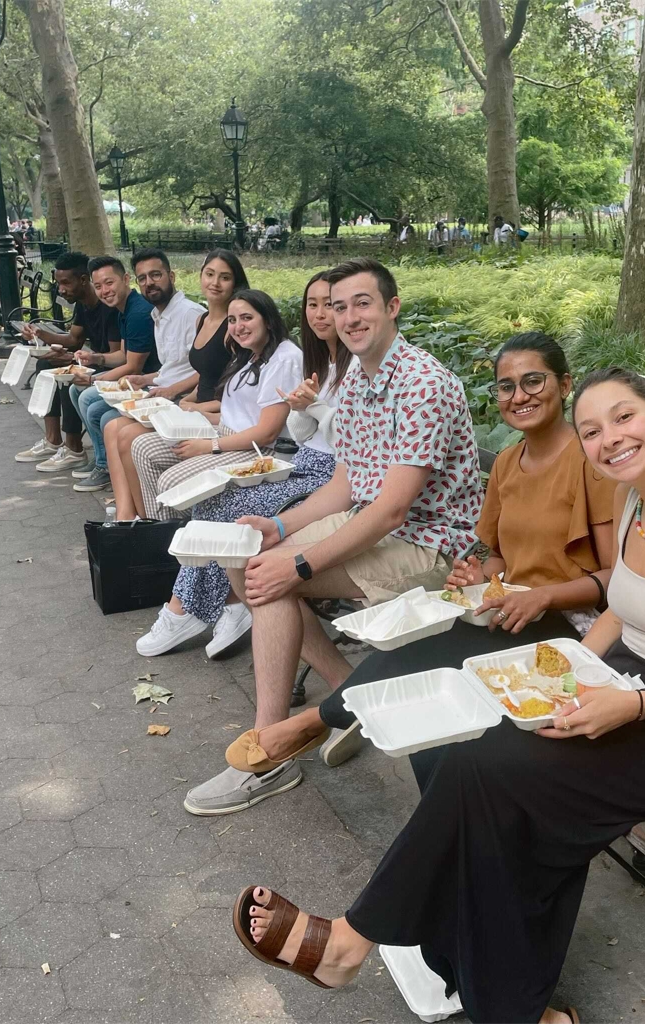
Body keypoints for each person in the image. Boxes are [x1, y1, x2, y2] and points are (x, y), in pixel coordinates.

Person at [230, 366, 645, 1024]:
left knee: (497, 778)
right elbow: (623, 611)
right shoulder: (633, 501)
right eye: (593, 430)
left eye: (625, 418)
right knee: (470, 754)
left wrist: (635, 705)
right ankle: (505, 1005)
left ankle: (351, 942)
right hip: (616, 686)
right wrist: (565, 666)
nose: (610, 439)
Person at [230, 331, 618, 778]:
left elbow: (615, 578)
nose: (519, 396)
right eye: (506, 386)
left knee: (422, 661)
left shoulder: (590, 464)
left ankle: (308, 723)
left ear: (565, 385)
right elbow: (496, 556)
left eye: (533, 381)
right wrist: (479, 578)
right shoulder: (510, 463)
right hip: (511, 610)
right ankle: (332, 723)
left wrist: (541, 598)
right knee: (412, 652)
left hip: (570, 622)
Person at [181, 257, 484, 816]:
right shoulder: (356, 379)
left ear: (392, 307)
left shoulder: (421, 384)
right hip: (374, 523)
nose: (348, 317)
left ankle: (269, 753)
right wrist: (276, 528)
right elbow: (348, 481)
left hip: (433, 544)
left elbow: (392, 510)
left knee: (272, 581)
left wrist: (299, 564)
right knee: (247, 554)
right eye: (338, 306)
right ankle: (351, 693)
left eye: (362, 303)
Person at [136, 272, 354, 659]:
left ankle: (192, 608)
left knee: (228, 508)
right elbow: (303, 433)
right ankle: (221, 605)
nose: (323, 315)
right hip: (305, 462)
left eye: (333, 305)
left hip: (330, 475)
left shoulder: (352, 364)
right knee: (211, 504)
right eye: (314, 305)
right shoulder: (326, 361)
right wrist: (304, 408)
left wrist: (314, 407)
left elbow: (352, 443)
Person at [114, 251, 253, 520]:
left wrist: (192, 405)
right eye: (210, 275)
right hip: (194, 408)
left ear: (235, 283)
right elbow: (203, 373)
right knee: (123, 433)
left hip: (215, 415)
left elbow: (236, 390)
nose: (215, 283)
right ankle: (144, 520)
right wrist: (188, 398)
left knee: (132, 439)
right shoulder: (203, 320)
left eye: (224, 277)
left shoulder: (235, 327)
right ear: (201, 277)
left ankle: (154, 521)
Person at [102, 248, 218, 516]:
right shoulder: (158, 315)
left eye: (155, 275)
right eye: (142, 278)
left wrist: (172, 391)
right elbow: (171, 367)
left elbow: (204, 368)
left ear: (171, 276)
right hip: (164, 393)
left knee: (127, 436)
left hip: (184, 399)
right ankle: (126, 514)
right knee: (111, 427)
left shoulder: (191, 314)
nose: (149, 283)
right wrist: (144, 378)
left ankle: (147, 520)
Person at [15, 252, 122, 473]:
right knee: (45, 365)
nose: (61, 289)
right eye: (58, 283)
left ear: (83, 280)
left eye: (65, 283)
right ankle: (53, 439)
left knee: (68, 377)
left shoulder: (108, 306)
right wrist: (39, 333)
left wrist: (74, 359)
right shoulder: (84, 303)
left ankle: (74, 449)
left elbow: (116, 355)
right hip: (94, 358)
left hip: (113, 364)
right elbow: (74, 340)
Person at [70, 256, 158, 493]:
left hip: (150, 382)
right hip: (136, 379)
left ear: (126, 279)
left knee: (91, 400)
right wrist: (96, 358)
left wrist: (92, 379)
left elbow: (133, 367)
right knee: (76, 390)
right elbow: (121, 355)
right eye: (98, 286)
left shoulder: (138, 313)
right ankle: (103, 460)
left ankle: (106, 466)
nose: (104, 291)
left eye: (109, 283)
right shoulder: (122, 309)